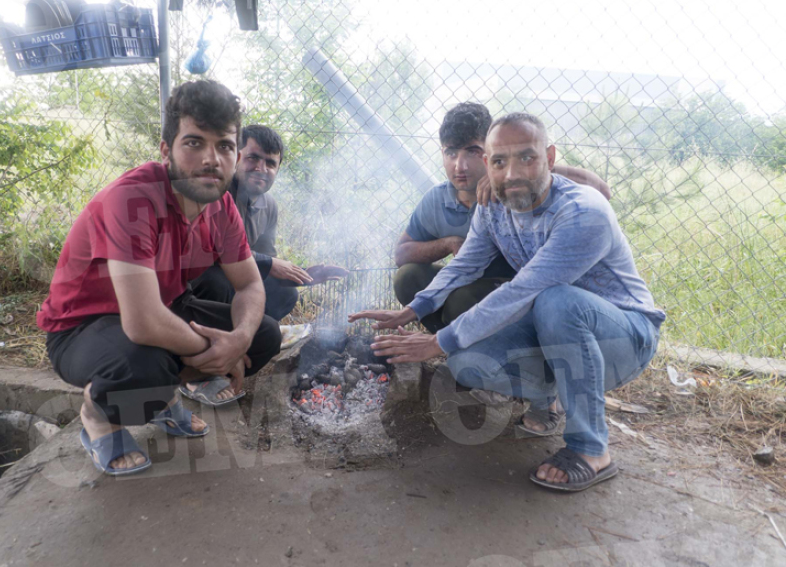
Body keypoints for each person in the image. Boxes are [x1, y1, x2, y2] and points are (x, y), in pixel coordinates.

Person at [350, 112, 664, 492]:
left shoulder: (583, 212)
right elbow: (465, 264)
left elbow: (523, 290)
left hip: (624, 337)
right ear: (489, 165)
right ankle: (550, 402)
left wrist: (436, 341)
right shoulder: (493, 207)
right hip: (558, 328)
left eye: (526, 158)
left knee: (555, 301)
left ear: (550, 158)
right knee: (466, 361)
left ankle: (591, 450)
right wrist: (413, 309)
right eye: (500, 161)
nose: (512, 173)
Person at [37, 80, 282, 476]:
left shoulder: (221, 206)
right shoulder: (132, 199)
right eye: (194, 143)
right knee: (143, 368)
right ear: (166, 150)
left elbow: (250, 285)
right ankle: (98, 414)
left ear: (235, 156)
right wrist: (220, 352)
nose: (211, 159)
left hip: (160, 309)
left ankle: (164, 397)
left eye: (224, 146)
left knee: (264, 334)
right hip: (81, 328)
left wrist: (238, 340)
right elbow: (144, 322)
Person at [394, 103, 611, 333]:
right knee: (408, 277)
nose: (460, 166)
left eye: (472, 152)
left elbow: (602, 191)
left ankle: (474, 345)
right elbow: (402, 254)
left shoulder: (518, 190)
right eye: (451, 153)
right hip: (466, 280)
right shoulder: (437, 199)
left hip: (521, 291)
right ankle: (444, 341)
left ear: (489, 153)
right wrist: (448, 244)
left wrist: (533, 169)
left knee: (462, 300)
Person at [190, 124, 348, 321]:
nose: (261, 169)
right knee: (215, 281)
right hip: (190, 282)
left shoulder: (269, 205)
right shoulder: (214, 190)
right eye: (253, 158)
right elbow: (209, 249)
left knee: (285, 294)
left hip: (236, 279)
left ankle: (248, 333)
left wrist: (301, 276)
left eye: (271, 163)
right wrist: (269, 264)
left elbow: (264, 265)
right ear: (236, 158)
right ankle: (200, 335)